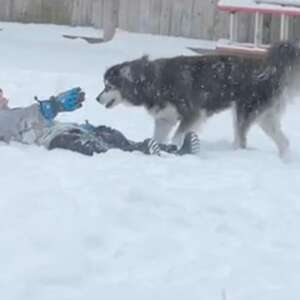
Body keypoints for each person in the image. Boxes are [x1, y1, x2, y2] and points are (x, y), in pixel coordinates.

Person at [0, 88, 200, 156]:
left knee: (108, 134)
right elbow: (21, 120)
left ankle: (171, 150)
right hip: (57, 139)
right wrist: (51, 107)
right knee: (98, 147)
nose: (5, 98)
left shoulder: (7, 113)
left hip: (65, 130)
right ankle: (141, 151)